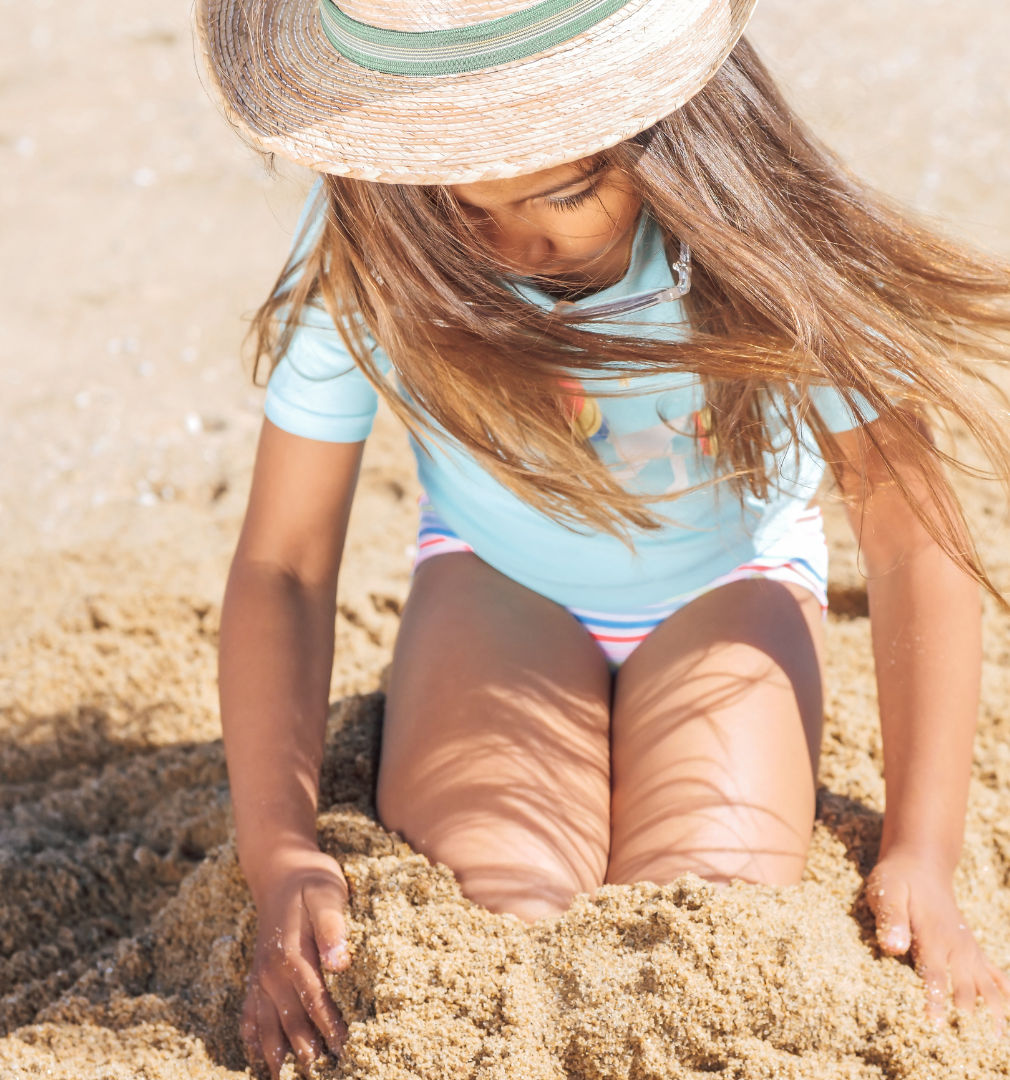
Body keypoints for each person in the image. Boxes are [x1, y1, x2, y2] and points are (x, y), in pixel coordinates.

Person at [198, 0, 1010, 1071]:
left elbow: (913, 538)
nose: (510, 246)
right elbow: (286, 565)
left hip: (729, 587)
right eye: (459, 202)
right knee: (499, 897)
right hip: (495, 578)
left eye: (565, 191)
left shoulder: (768, 243)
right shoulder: (376, 237)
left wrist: (921, 849)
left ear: (678, 127)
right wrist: (280, 853)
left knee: (707, 899)